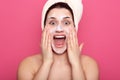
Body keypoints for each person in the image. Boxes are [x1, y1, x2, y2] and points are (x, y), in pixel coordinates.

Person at [17, 0, 99, 80]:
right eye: (52, 23)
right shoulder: (28, 65)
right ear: (43, 27)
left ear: (75, 28)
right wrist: (47, 62)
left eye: (66, 23)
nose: (59, 29)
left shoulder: (89, 65)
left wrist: (76, 64)